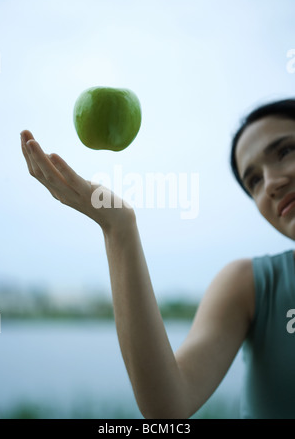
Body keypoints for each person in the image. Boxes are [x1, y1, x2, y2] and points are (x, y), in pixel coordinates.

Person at [20, 98, 295, 419]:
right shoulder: (251, 285)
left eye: (286, 151)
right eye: (254, 181)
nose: (272, 183)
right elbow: (168, 407)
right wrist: (117, 227)